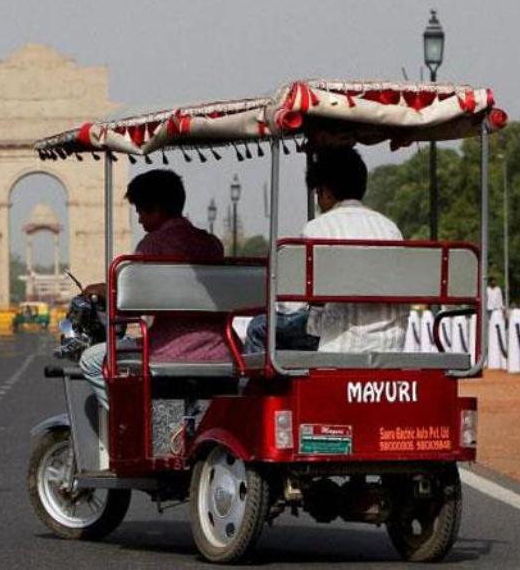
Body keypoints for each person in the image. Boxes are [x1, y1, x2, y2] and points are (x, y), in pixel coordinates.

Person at [80, 170, 228, 410]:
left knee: (91, 360)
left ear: (156, 209)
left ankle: (126, 423)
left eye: (140, 211)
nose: (138, 220)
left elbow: (131, 305)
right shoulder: (211, 243)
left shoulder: (152, 245)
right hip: (220, 346)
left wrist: (106, 291)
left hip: (170, 349)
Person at [245, 147, 407, 353]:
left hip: (335, 341)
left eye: (319, 193)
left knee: (259, 327)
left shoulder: (317, 228)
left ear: (326, 191)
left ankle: (265, 386)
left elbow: (291, 306)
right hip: (389, 342)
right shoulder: (390, 229)